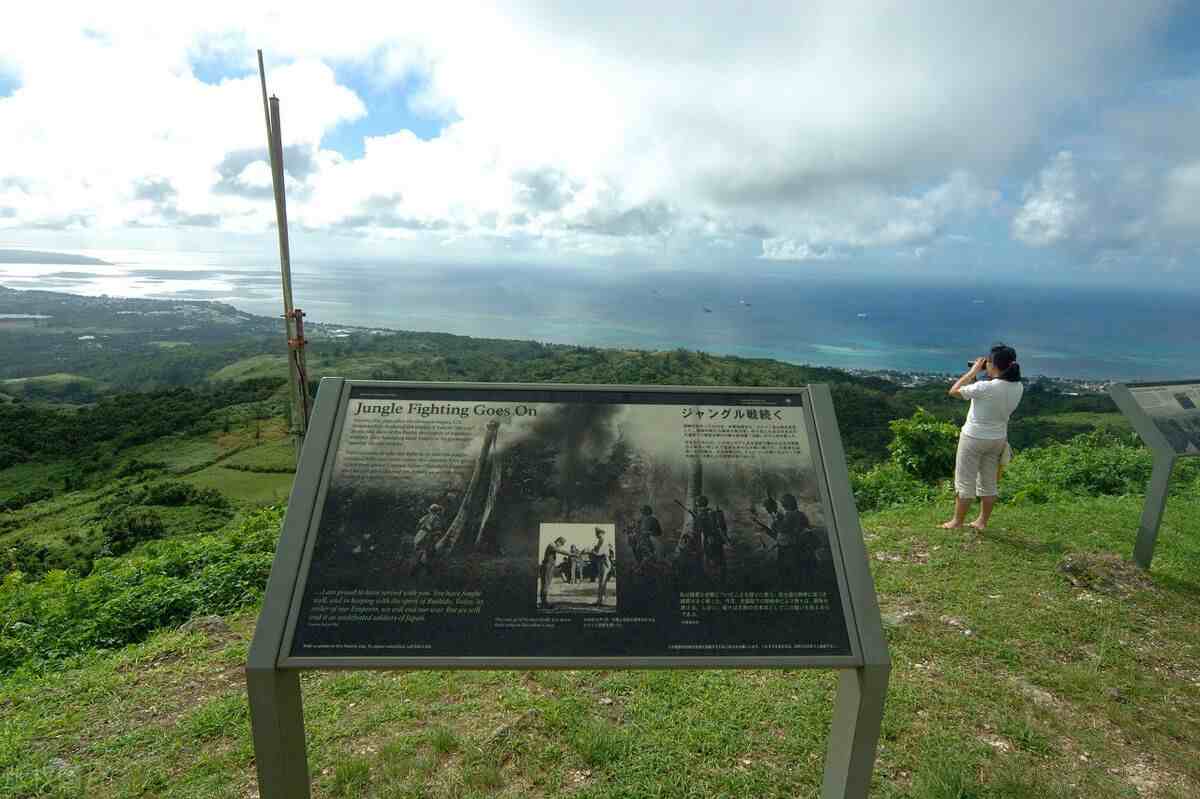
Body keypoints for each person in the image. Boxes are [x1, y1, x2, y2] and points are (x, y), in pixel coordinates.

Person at [943, 344, 1024, 531]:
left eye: (988, 361)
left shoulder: (985, 387)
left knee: (965, 480)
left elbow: (954, 391)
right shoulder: (1018, 387)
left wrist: (972, 372)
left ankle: (957, 522)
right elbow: (998, 387)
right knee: (989, 482)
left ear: (993, 365)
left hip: (973, 437)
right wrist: (987, 372)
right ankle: (981, 522)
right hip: (998, 439)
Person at [410, 503, 444, 577]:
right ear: (437, 511)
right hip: (426, 537)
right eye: (438, 510)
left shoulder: (425, 517)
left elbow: (417, 526)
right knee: (426, 553)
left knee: (419, 553)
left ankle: (417, 570)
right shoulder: (436, 518)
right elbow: (437, 530)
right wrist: (436, 536)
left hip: (419, 536)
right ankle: (425, 571)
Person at [539, 536, 571, 608]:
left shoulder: (553, 545)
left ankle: (544, 602)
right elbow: (560, 551)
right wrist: (570, 554)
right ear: (558, 541)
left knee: (546, 585)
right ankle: (544, 603)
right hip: (547, 567)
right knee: (545, 585)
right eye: (561, 544)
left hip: (549, 567)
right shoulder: (551, 544)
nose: (560, 546)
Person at [589, 528, 614, 605]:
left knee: (602, 582)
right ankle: (601, 600)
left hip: (604, 560)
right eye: (596, 533)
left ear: (602, 533)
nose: (596, 535)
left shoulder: (603, 540)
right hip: (602, 561)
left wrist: (590, 551)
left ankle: (600, 601)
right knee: (602, 581)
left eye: (598, 533)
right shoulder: (602, 540)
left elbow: (599, 553)